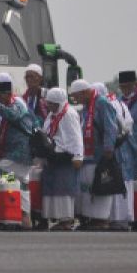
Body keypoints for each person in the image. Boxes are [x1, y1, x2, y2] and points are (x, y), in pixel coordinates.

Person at [0, 72, 41, 227]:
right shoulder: (8, 103)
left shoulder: (18, 103)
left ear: (8, 93)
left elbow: (13, 115)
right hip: (18, 155)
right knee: (21, 184)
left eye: (0, 96)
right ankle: (25, 219)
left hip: (20, 154)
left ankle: (6, 215)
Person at [69, 78, 119, 230]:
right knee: (88, 187)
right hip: (87, 155)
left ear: (84, 93)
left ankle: (101, 219)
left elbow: (111, 127)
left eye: (77, 96)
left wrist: (109, 149)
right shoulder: (86, 106)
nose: (75, 100)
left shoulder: (102, 103)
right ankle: (91, 218)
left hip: (101, 155)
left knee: (101, 186)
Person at [94, 83, 137, 231]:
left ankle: (116, 218)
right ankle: (123, 218)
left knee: (114, 181)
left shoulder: (106, 105)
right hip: (124, 147)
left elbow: (112, 128)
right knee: (123, 183)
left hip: (115, 148)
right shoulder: (119, 102)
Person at [40, 88, 83, 230]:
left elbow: (76, 137)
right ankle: (57, 218)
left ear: (59, 102)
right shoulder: (52, 115)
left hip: (66, 156)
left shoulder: (69, 114)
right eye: (49, 103)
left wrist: (78, 156)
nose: (50, 106)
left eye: (53, 104)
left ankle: (66, 220)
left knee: (64, 188)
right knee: (52, 188)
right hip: (53, 155)